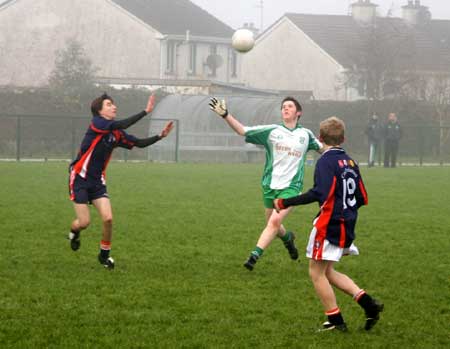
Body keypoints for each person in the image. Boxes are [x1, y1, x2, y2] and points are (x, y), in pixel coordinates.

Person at [274, 116, 383, 332]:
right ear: (343, 138)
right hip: (347, 224)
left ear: (320, 138)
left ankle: (335, 321)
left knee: (316, 273)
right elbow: (361, 197)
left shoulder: (325, 161)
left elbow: (319, 193)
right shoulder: (351, 161)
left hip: (329, 225)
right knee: (328, 272)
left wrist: (285, 201)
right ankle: (369, 305)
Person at [209, 96, 323, 271]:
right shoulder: (272, 131)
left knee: (275, 221)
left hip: (292, 188)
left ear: (298, 112)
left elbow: (324, 149)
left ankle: (254, 255)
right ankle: (288, 239)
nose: (285, 108)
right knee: (273, 223)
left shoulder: (305, 135)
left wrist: (341, 158)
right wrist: (225, 115)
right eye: (283, 106)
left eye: (290, 106)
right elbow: (243, 131)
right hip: (270, 185)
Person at [68, 93, 174, 269]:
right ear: (99, 111)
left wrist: (160, 136)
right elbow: (121, 123)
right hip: (79, 178)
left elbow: (138, 143)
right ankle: (74, 232)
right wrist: (145, 111)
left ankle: (104, 255)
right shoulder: (97, 124)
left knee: (108, 219)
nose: (114, 107)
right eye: (109, 104)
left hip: (97, 181)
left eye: (113, 104)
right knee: (84, 223)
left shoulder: (116, 134)